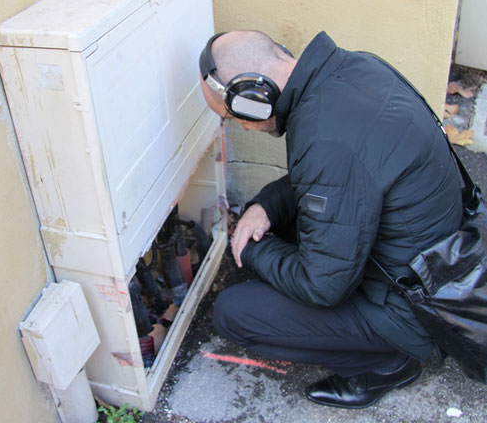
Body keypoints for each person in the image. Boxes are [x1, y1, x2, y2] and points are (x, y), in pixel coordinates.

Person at [198, 30, 463, 409]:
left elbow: (322, 286)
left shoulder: (324, 141)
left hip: (413, 309)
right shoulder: (353, 67)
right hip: (434, 264)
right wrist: (266, 207)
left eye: (231, 116)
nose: (239, 125)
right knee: (288, 231)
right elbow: (340, 173)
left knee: (234, 314)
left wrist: (253, 247)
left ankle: (388, 362)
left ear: (255, 99)